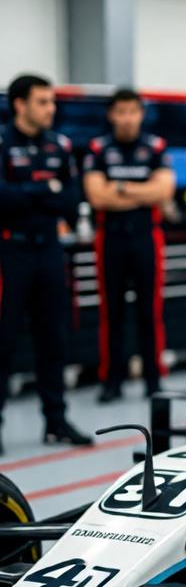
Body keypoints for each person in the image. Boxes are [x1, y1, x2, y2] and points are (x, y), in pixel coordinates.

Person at [0, 74, 93, 450]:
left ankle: (55, 420)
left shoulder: (61, 145)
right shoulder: (3, 142)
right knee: (3, 341)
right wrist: (43, 189)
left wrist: (30, 194)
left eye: (52, 102)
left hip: (51, 251)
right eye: (42, 102)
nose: (50, 109)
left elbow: (71, 201)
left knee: (53, 339)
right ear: (20, 104)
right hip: (10, 252)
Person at [83, 89, 176, 403]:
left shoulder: (155, 147)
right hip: (110, 238)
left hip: (146, 237)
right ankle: (112, 381)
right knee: (112, 312)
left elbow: (163, 192)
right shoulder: (99, 148)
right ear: (111, 114)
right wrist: (142, 191)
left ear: (141, 114)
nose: (126, 118)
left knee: (150, 311)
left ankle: (154, 379)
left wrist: (119, 188)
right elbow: (97, 197)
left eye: (132, 111)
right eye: (120, 112)